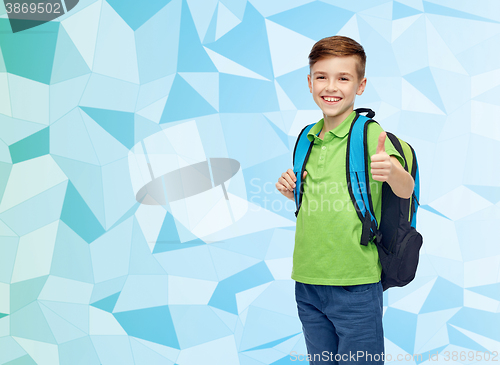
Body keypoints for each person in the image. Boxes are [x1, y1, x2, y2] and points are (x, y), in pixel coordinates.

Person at [275, 36, 415, 364]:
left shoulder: (369, 134)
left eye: (343, 78)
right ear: (309, 83)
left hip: (355, 284)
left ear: (360, 85)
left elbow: (406, 188)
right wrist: (290, 189)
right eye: (322, 77)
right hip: (307, 280)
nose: (331, 86)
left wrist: (391, 171)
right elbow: (317, 199)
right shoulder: (307, 136)